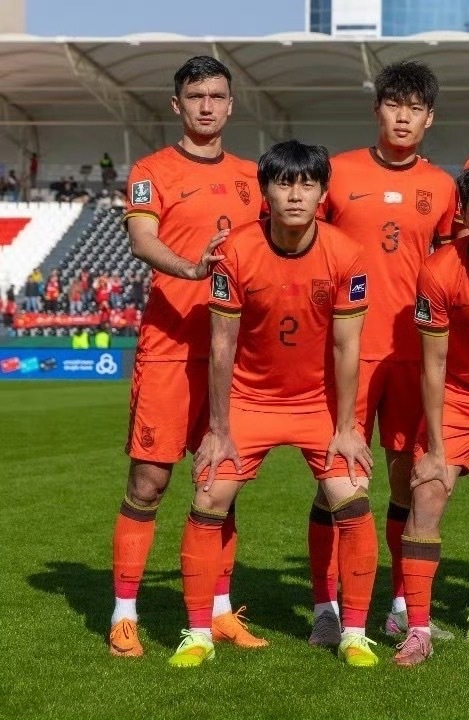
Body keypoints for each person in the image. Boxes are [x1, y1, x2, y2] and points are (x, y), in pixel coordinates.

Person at [168, 140, 377, 669]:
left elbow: (347, 346)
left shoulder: (347, 254)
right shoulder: (235, 251)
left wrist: (348, 427)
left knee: (352, 498)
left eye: (308, 184)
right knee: (209, 494)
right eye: (284, 183)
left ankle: (353, 633)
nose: (295, 194)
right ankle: (198, 633)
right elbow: (222, 345)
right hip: (249, 400)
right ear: (265, 191)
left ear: (323, 193)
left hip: (318, 404)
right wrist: (218, 429)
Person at [109, 55, 265, 658]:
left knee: (222, 483)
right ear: (177, 105)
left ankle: (220, 611)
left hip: (236, 354)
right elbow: (142, 238)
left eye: (216, 95)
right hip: (171, 348)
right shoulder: (151, 170)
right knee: (149, 481)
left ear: (231, 105)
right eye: (195, 95)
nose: (206, 105)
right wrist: (192, 269)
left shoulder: (255, 176)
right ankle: (124, 614)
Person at [308, 60, 460, 647]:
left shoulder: (442, 187)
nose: (403, 117)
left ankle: (400, 605)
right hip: (344, 352)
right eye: (393, 104)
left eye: (414, 108)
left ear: (429, 118)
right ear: (377, 109)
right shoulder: (337, 173)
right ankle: (325, 607)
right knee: (336, 482)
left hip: (412, 356)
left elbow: (448, 265)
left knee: (405, 482)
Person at [393, 168, 469, 666]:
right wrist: (438, 449)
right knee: (425, 493)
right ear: (463, 213)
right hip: (457, 396)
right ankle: (417, 629)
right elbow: (434, 365)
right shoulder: (440, 271)